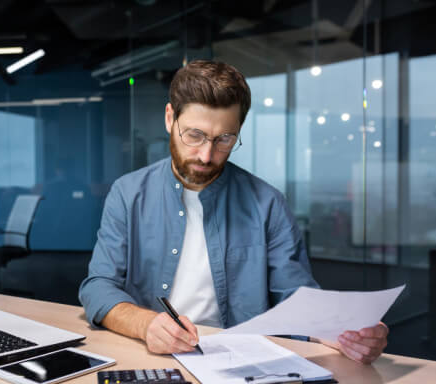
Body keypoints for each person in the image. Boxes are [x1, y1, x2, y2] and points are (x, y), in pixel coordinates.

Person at [79, 60, 388, 364]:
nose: (206, 154)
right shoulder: (128, 193)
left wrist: (340, 332)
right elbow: (98, 286)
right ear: (169, 118)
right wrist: (146, 324)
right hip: (149, 356)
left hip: (238, 362)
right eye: (194, 135)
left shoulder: (267, 203)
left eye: (224, 139)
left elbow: (295, 297)